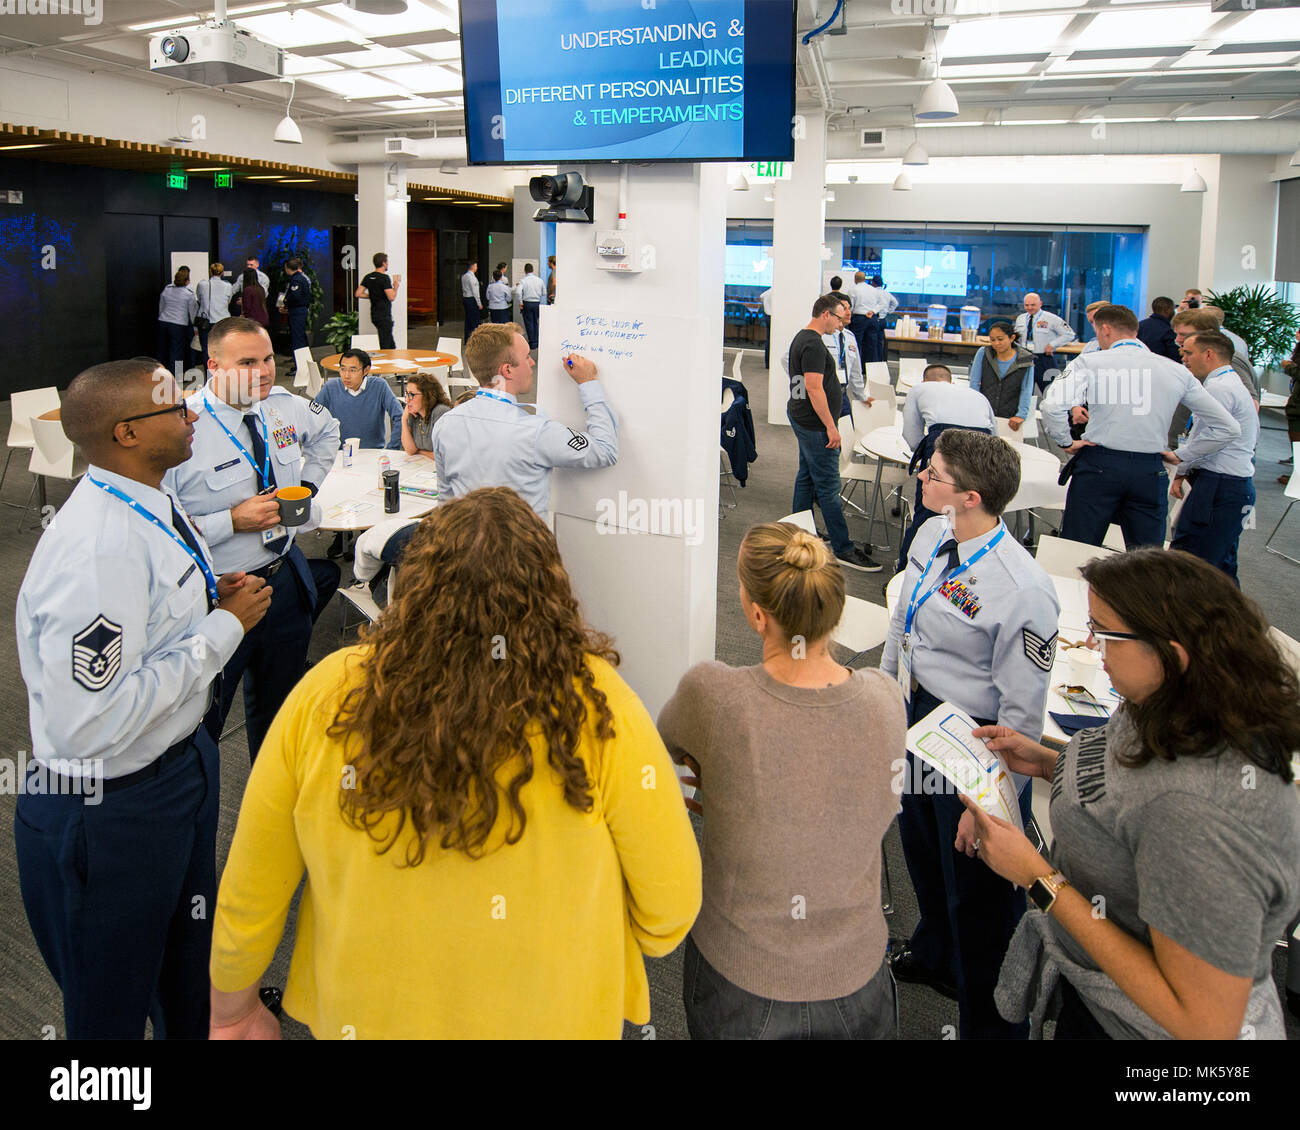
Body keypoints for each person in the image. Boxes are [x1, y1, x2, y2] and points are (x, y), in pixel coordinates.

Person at [208, 487, 701, 1039]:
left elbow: (253, 881)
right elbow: (670, 906)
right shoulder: (598, 701)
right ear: (551, 591)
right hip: (556, 1015)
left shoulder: (327, 691)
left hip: (369, 1015)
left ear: (412, 583)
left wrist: (232, 1008)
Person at [15, 357, 272, 1039]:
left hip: (177, 769)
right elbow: (86, 727)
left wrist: (197, 605)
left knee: (186, 969)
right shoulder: (97, 550)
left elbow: (146, 620)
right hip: (110, 810)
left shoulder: (149, 496)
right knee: (110, 1017)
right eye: (177, 409)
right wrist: (222, 629)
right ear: (127, 432)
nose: (194, 416)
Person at [962, 548, 1300, 1040]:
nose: (1093, 646)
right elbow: (1129, 798)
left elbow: (1204, 1023)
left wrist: (1037, 877)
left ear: (1171, 653)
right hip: (1100, 997)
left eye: (1106, 634)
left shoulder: (1196, 816)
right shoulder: (1168, 702)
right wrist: (1051, 764)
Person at [657, 522, 905, 1040]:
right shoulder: (885, 699)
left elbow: (662, 749)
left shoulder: (714, 696)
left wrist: (722, 781)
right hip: (860, 981)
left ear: (756, 614)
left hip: (741, 982)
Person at [881, 429, 1061, 1039]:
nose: (921, 480)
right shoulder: (933, 533)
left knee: (980, 898)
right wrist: (887, 699)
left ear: (973, 497)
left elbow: (1022, 716)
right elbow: (902, 620)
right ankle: (937, 955)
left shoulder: (1023, 588)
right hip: (917, 717)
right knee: (922, 853)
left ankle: (990, 1022)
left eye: (933, 476)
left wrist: (991, 804)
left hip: (977, 745)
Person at [165, 317, 341, 763]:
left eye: (266, 359)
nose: (263, 371)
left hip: (285, 580)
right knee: (201, 722)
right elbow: (159, 531)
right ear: (214, 366)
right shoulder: (182, 430)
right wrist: (231, 521)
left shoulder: (280, 405)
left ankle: (274, 794)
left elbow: (328, 433)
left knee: (281, 707)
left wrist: (309, 486)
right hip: (219, 593)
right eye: (247, 362)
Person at [1041, 304, 1240, 549]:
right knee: (1147, 558)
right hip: (1150, 470)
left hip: (1099, 466)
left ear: (1104, 329)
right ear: (1135, 331)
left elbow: (1051, 406)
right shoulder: (1177, 370)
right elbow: (1228, 427)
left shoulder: (1088, 362)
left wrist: (1065, 441)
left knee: (1078, 548)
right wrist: (1183, 455)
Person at [431, 324, 617, 518]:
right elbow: (605, 450)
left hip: (462, 544)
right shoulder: (535, 431)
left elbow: (446, 502)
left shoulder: (446, 423)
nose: (532, 363)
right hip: (523, 546)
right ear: (508, 371)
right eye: (527, 356)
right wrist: (588, 383)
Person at [785, 295, 881, 573]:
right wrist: (830, 425)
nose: (841, 325)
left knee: (806, 476)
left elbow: (799, 385)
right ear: (826, 314)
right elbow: (813, 388)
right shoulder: (813, 343)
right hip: (816, 425)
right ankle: (843, 548)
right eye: (839, 318)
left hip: (804, 417)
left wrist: (799, 407)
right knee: (828, 486)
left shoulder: (801, 337)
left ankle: (799, 532)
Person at [1164, 331, 1259, 583]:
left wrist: (1178, 458)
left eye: (1188, 352)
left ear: (1208, 354)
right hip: (1229, 484)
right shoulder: (1230, 383)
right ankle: (1233, 622)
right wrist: (1183, 470)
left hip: (1219, 485)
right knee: (1221, 568)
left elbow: (1208, 438)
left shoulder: (1219, 388)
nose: (1182, 357)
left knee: (1191, 565)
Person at [897, 363, 996, 568]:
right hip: (982, 443)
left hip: (943, 440)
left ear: (925, 380)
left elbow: (911, 434)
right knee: (974, 512)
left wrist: (926, 456)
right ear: (951, 381)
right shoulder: (977, 396)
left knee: (928, 511)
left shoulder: (919, 389)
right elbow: (994, 435)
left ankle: (905, 571)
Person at [312, 348, 403, 451]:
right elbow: (311, 418)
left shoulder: (379, 386)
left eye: (352, 370)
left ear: (366, 370)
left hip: (372, 454)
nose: (346, 375)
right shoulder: (330, 388)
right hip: (339, 454)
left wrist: (392, 448)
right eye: (342, 369)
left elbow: (400, 416)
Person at [969, 320, 1034, 429]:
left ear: (1012, 338)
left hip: (1010, 416)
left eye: (1000, 339)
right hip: (984, 413)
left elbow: (1026, 389)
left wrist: (1021, 415)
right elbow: (974, 383)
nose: (996, 343)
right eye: (992, 340)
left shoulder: (1025, 359)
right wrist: (976, 408)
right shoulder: (984, 353)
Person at [1014, 292, 1076, 392]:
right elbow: (1017, 338)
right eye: (1026, 305)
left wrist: (1052, 345)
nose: (1029, 307)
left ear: (1040, 304)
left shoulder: (1051, 318)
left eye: (1033, 305)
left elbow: (1069, 334)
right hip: (1024, 358)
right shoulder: (1020, 319)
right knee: (1024, 391)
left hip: (1043, 358)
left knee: (1051, 391)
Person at [824, 296, 870, 423]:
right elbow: (788, 359)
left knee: (847, 433)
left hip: (842, 394)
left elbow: (855, 371)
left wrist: (861, 396)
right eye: (844, 308)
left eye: (850, 308)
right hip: (824, 394)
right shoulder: (821, 335)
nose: (848, 312)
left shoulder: (849, 337)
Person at [400, 370, 452, 460]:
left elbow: (443, 455)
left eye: (412, 395)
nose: (407, 400)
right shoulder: (414, 414)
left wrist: (420, 451)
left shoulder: (440, 412)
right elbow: (410, 450)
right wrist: (404, 420)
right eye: (407, 394)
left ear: (427, 395)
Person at [157, 266, 196, 378]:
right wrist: (195, 328)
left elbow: (161, 306)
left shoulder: (167, 289)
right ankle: (174, 377)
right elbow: (192, 313)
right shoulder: (189, 294)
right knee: (176, 351)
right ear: (187, 281)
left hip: (163, 322)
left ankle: (158, 374)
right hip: (179, 325)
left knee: (161, 350)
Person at [356, 252, 400, 351]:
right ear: (384, 263)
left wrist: (372, 296)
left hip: (375, 314)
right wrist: (396, 287)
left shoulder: (368, 277)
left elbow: (358, 293)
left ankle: (392, 359)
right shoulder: (384, 278)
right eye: (387, 262)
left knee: (390, 343)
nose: (387, 264)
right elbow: (391, 297)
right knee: (385, 344)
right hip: (384, 315)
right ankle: (387, 362)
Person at [196, 263, 234, 365]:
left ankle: (209, 375)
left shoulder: (202, 284)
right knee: (224, 348)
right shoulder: (228, 286)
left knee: (206, 349)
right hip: (222, 320)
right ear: (222, 273)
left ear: (210, 271)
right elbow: (228, 301)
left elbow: (199, 299)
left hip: (206, 321)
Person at [281, 258, 312, 356]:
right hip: (300, 311)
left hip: (297, 312)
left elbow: (295, 296)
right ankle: (303, 362)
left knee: (297, 339)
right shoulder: (302, 278)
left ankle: (299, 366)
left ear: (287, 268)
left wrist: (286, 300)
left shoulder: (296, 279)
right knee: (300, 337)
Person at [1136, 296, 1180, 363]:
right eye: (1173, 309)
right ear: (1168, 310)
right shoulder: (1168, 330)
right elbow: (1174, 356)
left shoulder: (1139, 325)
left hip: (1140, 364)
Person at [515, 262, 546, 349]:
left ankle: (532, 343)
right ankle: (537, 341)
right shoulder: (539, 280)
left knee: (529, 323)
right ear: (533, 270)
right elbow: (544, 292)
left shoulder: (523, 280)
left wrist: (521, 302)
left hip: (527, 303)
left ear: (525, 271)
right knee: (535, 322)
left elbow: (518, 292)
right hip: (537, 303)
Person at [461, 260, 482, 337]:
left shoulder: (464, 276)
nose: (476, 268)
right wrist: (479, 303)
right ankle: (476, 339)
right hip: (471, 299)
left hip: (465, 299)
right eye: (476, 266)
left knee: (468, 320)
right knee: (475, 320)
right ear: (472, 266)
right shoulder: (472, 278)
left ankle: (467, 338)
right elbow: (475, 292)